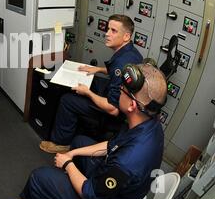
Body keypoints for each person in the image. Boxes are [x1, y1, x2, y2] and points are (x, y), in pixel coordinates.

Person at [20, 63, 167, 199]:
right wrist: (72, 154)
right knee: (79, 142)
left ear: (132, 105)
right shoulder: (150, 124)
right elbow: (112, 145)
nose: (120, 89)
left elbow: (89, 193)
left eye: (122, 90)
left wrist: (67, 164)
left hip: (99, 197)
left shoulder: (126, 163)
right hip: (116, 184)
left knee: (38, 177)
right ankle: (68, 183)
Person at [40, 14, 143, 154]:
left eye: (113, 31)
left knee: (67, 100)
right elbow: (119, 73)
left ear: (126, 36)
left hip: (113, 110)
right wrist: (98, 69)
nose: (107, 34)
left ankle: (61, 143)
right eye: (108, 29)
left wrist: (87, 93)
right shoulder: (131, 52)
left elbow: (113, 109)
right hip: (119, 98)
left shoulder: (121, 62)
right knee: (90, 80)